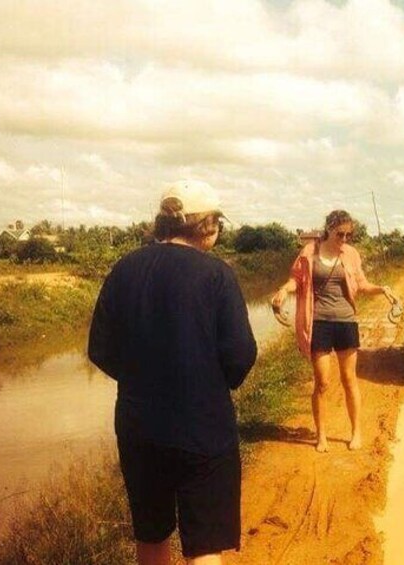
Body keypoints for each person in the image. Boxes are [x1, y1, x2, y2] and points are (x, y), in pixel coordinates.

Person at [88, 180, 257, 565]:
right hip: (203, 428)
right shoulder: (217, 275)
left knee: (151, 536)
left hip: (138, 427)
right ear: (208, 225)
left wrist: (143, 379)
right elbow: (240, 355)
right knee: (204, 545)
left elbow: (100, 349)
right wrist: (208, 383)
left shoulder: (124, 269)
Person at [272, 210, 397, 452]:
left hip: (346, 322)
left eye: (349, 234)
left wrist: (383, 289)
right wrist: (284, 291)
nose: (345, 239)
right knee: (322, 383)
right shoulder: (309, 252)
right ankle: (321, 436)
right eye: (341, 233)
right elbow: (295, 280)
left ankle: (356, 432)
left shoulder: (350, 254)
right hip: (318, 322)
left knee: (350, 380)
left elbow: (361, 284)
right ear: (328, 228)